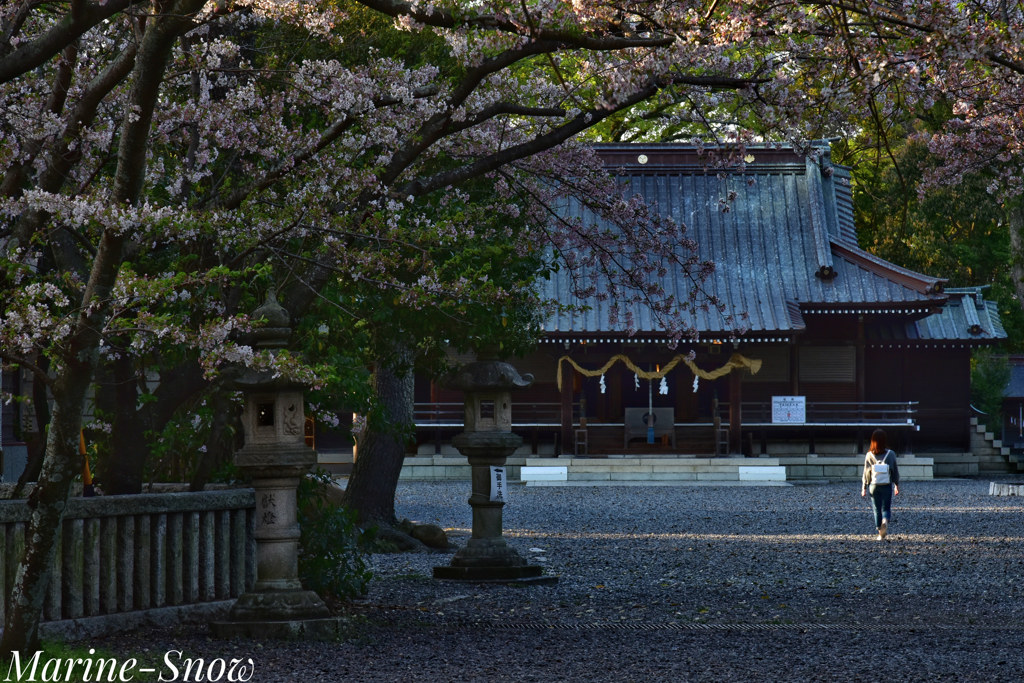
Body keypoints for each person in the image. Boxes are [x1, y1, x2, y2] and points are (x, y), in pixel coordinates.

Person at [861, 429, 899, 540]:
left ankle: (880, 533)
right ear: (884, 440)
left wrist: (864, 487)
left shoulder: (869, 455)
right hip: (886, 484)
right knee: (886, 508)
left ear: (872, 441)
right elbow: (894, 471)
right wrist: (896, 485)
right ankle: (885, 521)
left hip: (873, 485)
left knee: (877, 509)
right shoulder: (890, 454)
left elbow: (866, 473)